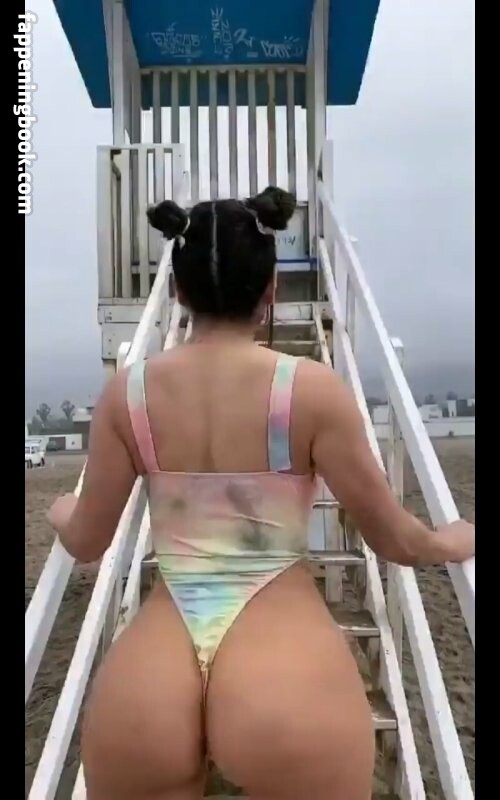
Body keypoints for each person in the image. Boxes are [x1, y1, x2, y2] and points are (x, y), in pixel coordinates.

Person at [48, 187, 474, 800]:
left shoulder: (129, 395)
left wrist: (62, 510)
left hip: (153, 669)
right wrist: (451, 539)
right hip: (282, 656)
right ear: (270, 290)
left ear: (179, 292)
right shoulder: (310, 392)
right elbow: (395, 539)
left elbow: (88, 539)